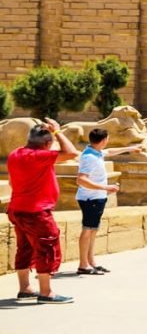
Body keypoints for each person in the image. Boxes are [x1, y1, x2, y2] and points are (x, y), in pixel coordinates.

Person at [7, 119, 79, 304]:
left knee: (25, 248)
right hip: (36, 212)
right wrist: (58, 132)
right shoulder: (39, 156)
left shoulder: (15, 154)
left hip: (17, 209)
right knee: (47, 247)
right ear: (47, 144)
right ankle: (46, 292)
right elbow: (71, 152)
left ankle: (25, 288)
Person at [75, 129, 139, 275]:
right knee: (87, 230)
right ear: (103, 140)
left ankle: (90, 262)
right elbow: (81, 179)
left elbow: (110, 152)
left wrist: (130, 149)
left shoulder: (95, 152)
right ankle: (83, 265)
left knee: (92, 230)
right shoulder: (89, 157)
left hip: (97, 197)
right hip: (90, 198)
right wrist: (106, 187)